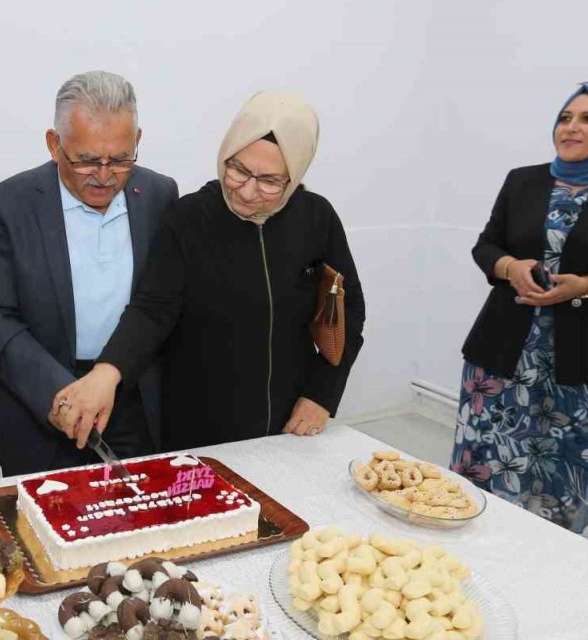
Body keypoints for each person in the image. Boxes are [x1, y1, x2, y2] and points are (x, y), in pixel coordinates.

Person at [51, 91, 365, 450]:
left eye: (270, 181)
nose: (247, 191)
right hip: (200, 432)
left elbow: (349, 311)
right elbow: (153, 310)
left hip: (291, 427)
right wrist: (106, 373)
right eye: (238, 169)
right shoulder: (188, 219)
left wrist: (321, 394)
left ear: (294, 175)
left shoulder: (316, 219)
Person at [452, 82, 588, 534]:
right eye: (565, 117)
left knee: (572, 471)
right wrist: (509, 266)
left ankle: (557, 560)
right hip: (507, 353)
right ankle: (486, 543)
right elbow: (486, 246)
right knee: (496, 462)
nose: (571, 128)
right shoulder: (523, 179)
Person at [0, 72, 178, 475]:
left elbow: (161, 302)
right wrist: (61, 394)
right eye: (85, 161)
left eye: (120, 159)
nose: (103, 176)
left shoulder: (159, 195)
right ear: (54, 144)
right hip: (41, 409)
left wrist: (110, 377)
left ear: (137, 142)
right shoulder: (5, 207)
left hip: (134, 402)